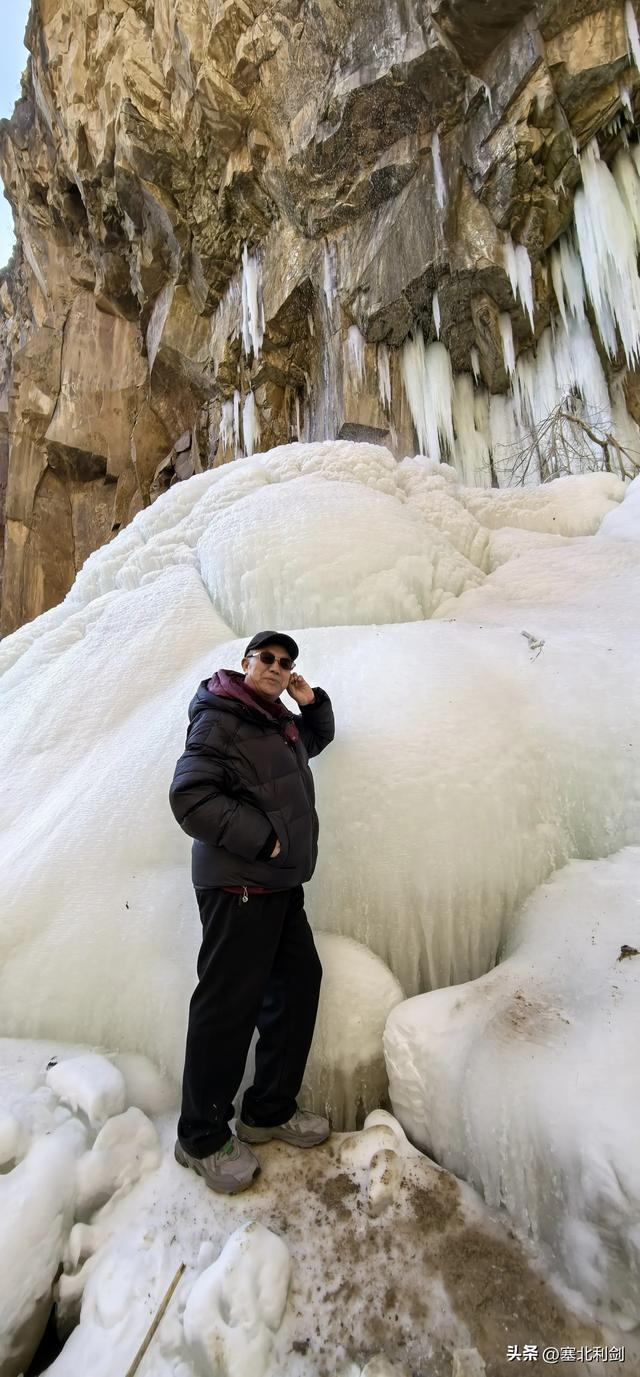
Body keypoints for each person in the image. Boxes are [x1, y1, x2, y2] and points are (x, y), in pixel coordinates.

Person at [169, 630, 335, 1193]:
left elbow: (317, 737)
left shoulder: (277, 721)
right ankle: (200, 1138)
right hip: (239, 884)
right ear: (245, 664)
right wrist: (263, 840)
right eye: (266, 658)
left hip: (279, 888)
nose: (276, 666)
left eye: (285, 662)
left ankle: (267, 1111)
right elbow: (189, 797)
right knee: (227, 1007)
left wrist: (309, 699)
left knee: (297, 986)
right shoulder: (221, 715)